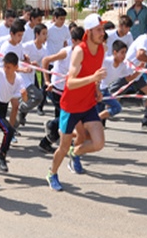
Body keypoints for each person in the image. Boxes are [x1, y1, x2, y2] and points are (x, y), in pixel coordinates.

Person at [46, 14, 107, 191]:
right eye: (98, 30)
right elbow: (70, 83)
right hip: (71, 106)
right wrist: (93, 78)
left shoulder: (101, 49)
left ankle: (76, 152)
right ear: (88, 32)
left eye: (102, 29)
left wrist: (96, 89)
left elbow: (96, 74)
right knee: (63, 147)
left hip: (88, 104)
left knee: (98, 143)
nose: (102, 33)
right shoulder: (79, 51)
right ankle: (52, 173)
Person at [109, 23, 147, 127]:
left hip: (138, 75)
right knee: (113, 96)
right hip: (127, 73)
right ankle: (102, 115)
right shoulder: (144, 40)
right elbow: (139, 55)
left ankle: (146, 120)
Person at [41, 25, 84, 153]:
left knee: (65, 119)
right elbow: (45, 60)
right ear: (74, 41)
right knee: (69, 116)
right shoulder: (66, 52)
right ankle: (51, 128)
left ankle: (49, 142)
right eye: (80, 42)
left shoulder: (83, 53)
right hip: (57, 89)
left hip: (69, 89)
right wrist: (47, 81)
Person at [97, 40, 140, 123]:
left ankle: (96, 119)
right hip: (97, 89)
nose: (124, 55)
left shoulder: (123, 65)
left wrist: (138, 71)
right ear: (115, 52)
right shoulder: (106, 61)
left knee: (115, 108)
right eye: (122, 52)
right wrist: (97, 90)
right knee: (116, 107)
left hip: (104, 90)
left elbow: (128, 78)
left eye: (125, 53)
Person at [17, 23, 48, 127]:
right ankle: (21, 109)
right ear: (37, 34)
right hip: (22, 76)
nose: (45, 37)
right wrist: (28, 63)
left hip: (30, 77)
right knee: (38, 96)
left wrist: (36, 65)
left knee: (28, 99)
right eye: (43, 34)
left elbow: (42, 65)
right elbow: (19, 59)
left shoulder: (44, 50)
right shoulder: (27, 46)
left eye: (46, 34)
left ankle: (15, 123)